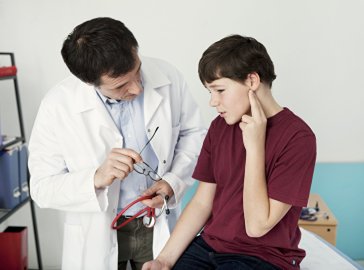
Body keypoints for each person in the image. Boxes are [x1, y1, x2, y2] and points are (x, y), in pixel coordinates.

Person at [28, 17, 206, 270]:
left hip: (158, 223)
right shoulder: (57, 106)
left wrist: (173, 181)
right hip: (98, 234)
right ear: (89, 83)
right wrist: (95, 178)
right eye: (121, 85)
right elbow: (42, 188)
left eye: (137, 71)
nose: (137, 88)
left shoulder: (168, 76)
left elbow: (194, 135)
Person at [142, 35, 317, 270]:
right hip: (208, 247)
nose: (213, 102)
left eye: (219, 90)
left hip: (263, 256)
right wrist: (164, 260)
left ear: (252, 80)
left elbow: (257, 226)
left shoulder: (298, 138)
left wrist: (255, 147)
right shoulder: (219, 127)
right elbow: (203, 202)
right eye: (209, 92)